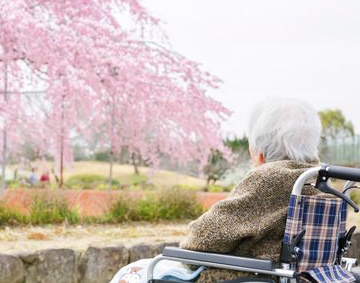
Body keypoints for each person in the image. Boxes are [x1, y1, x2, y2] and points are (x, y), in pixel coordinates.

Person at [111, 98, 325, 283]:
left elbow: (200, 238)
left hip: (248, 276)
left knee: (135, 272)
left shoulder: (269, 180)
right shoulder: (321, 182)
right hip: (298, 275)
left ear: (260, 156)